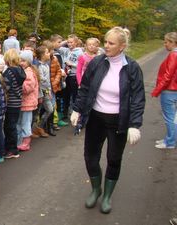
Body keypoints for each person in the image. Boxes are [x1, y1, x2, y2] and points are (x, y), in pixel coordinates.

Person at [70, 27, 145, 214]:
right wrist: (77, 109)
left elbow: (137, 98)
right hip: (96, 118)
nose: (106, 46)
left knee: (113, 158)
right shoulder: (97, 62)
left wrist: (134, 124)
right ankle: (96, 189)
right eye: (106, 42)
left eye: (111, 43)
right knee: (90, 157)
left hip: (118, 121)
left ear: (122, 46)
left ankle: (107, 196)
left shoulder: (132, 68)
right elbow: (85, 87)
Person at [151, 32, 177, 149]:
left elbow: (168, 75)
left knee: (170, 118)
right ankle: (169, 138)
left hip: (169, 90)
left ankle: (170, 142)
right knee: (173, 117)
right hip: (174, 90)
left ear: (172, 42)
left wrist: (157, 90)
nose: (164, 44)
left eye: (166, 42)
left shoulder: (173, 55)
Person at [2, 49, 26, 158]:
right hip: (18, 101)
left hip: (11, 102)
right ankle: (13, 147)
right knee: (13, 125)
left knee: (9, 127)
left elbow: (6, 87)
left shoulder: (9, 72)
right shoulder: (20, 70)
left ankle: (12, 149)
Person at [15, 50, 39, 152]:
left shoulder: (28, 72)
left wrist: (18, 84)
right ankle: (20, 141)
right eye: (20, 60)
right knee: (20, 122)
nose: (21, 63)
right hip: (24, 102)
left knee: (25, 122)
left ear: (29, 61)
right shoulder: (24, 71)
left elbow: (28, 88)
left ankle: (26, 142)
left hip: (27, 102)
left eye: (24, 61)